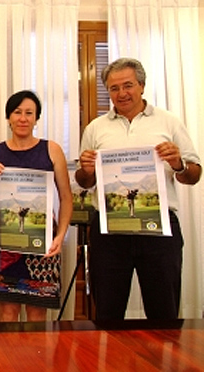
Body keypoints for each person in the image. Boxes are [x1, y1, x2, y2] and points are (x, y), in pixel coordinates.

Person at [75, 58, 201, 320]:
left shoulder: (169, 122)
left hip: (159, 229)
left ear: (142, 86)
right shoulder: (95, 128)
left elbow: (194, 175)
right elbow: (85, 182)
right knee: (107, 313)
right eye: (113, 88)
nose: (121, 93)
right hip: (108, 231)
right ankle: (108, 362)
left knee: (163, 312)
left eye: (128, 85)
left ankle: (163, 362)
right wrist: (86, 171)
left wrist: (178, 163)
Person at [0, 90, 73, 321]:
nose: (23, 118)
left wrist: (60, 236)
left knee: (37, 312)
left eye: (29, 113)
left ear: (36, 118)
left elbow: (66, 197)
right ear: (8, 117)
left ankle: (37, 359)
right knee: (7, 312)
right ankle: (8, 359)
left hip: (43, 242)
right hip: (6, 242)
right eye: (17, 112)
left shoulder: (52, 150)